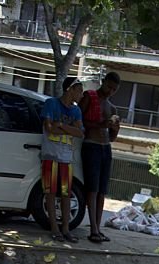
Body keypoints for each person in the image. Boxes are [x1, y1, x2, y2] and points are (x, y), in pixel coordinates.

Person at [78, 70, 121, 244]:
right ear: (103, 82)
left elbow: (112, 137)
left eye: (114, 90)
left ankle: (98, 227)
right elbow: (79, 121)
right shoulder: (89, 96)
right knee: (93, 188)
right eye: (109, 87)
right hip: (91, 145)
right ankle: (93, 228)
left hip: (106, 147)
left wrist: (115, 129)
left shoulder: (112, 108)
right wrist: (100, 124)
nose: (110, 91)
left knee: (102, 190)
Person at [40, 76, 84, 243]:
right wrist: (68, 129)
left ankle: (66, 228)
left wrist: (62, 126)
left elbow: (80, 133)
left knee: (66, 192)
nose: (81, 94)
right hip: (50, 154)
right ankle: (54, 227)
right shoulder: (51, 103)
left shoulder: (76, 110)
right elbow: (49, 128)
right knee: (50, 191)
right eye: (79, 90)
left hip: (66, 156)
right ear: (70, 90)